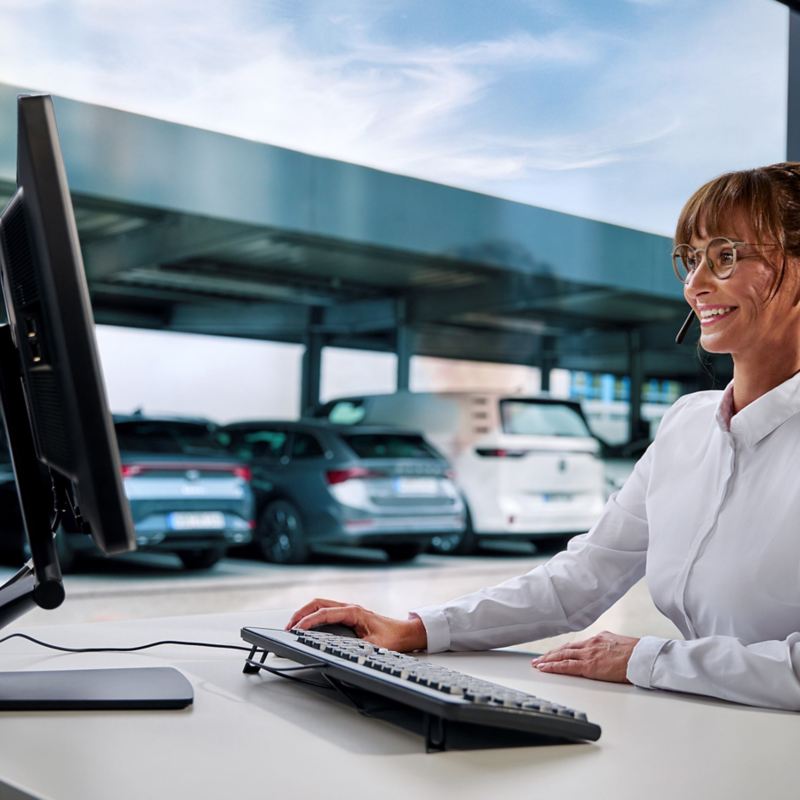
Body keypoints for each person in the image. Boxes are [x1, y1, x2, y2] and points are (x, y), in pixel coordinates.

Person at [287, 163, 800, 711]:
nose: (696, 284)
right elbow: (579, 579)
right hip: (701, 734)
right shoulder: (686, 425)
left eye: (725, 256)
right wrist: (415, 630)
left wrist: (647, 659)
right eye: (690, 259)